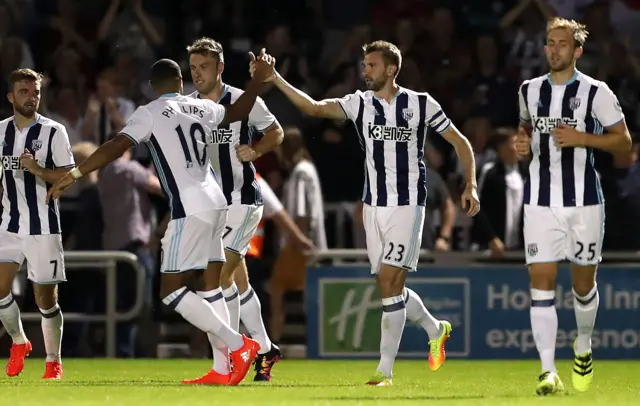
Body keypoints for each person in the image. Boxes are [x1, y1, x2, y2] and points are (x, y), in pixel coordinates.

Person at [250, 42, 480, 386]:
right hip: (373, 205)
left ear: (391, 70)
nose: (365, 70)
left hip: (407, 204)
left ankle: (384, 372)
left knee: (391, 282)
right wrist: (276, 79)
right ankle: (436, 328)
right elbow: (313, 108)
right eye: (364, 64)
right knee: (387, 287)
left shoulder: (420, 103)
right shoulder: (360, 103)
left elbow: (460, 141)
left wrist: (470, 184)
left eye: (372, 65)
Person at [47, 57, 277, 386]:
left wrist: (77, 172)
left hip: (190, 206)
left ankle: (241, 345)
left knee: (171, 293)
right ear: (181, 81)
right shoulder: (202, 107)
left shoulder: (150, 112)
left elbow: (117, 145)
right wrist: (257, 83)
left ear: (154, 87)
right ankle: (222, 368)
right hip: (217, 202)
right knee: (212, 287)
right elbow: (238, 112)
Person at [516, 17, 632, 395]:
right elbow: (525, 129)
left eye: (562, 44)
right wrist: (521, 143)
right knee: (541, 283)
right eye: (550, 42)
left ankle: (583, 343)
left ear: (577, 50)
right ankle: (548, 370)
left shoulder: (597, 92)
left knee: (583, 286)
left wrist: (582, 138)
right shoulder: (529, 90)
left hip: (584, 204)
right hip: (539, 202)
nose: (554, 49)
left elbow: (624, 143)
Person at [185, 37, 291, 381]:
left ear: (219, 68)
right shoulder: (190, 106)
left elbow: (276, 133)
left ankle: (233, 357)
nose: (198, 74)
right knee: (238, 284)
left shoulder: (242, 100)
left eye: (204, 67)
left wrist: (256, 151)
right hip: (212, 206)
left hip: (243, 199)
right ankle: (263, 347)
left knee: (218, 276)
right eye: (193, 68)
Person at [0, 68, 75, 380]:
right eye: (24, 92)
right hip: (8, 225)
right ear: (11, 97)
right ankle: (19, 342)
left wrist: (38, 169)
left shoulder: (54, 132)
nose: (31, 98)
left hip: (43, 226)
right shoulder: (0, 131)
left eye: (35, 92)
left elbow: (69, 178)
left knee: (46, 298)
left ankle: (53, 360)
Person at [269, 127, 326, 343]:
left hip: (298, 245)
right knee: (306, 295)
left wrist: (298, 242)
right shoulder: (307, 169)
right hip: (305, 243)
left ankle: (275, 339)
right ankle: (310, 340)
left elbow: (301, 212)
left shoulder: (300, 172)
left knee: (276, 289)